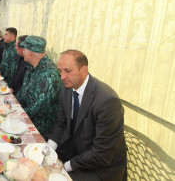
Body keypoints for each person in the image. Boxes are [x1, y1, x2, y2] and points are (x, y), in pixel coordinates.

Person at [47, 50, 127, 181]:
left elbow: (102, 153)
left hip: (100, 166)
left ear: (83, 70)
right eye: (60, 71)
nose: (62, 76)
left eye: (67, 71)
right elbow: (61, 122)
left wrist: (64, 167)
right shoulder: (67, 87)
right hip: (74, 150)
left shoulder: (107, 101)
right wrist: (48, 151)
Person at [15, 36, 61, 136]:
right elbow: (23, 91)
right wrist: (12, 105)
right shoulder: (32, 66)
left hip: (40, 128)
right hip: (26, 118)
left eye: (24, 49)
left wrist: (16, 116)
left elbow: (38, 108)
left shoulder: (49, 74)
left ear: (29, 53)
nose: (22, 51)